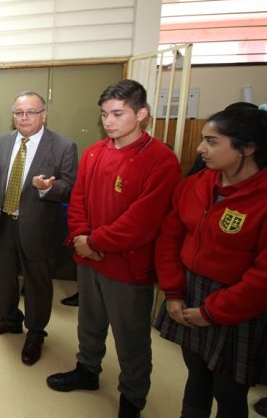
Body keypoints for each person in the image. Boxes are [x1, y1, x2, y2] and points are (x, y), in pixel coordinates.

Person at [46, 80, 180, 418]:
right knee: (89, 324)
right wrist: (81, 237)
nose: (109, 121)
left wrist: (94, 242)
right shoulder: (93, 153)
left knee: (131, 337)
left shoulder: (161, 160)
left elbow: (142, 221)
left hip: (127, 265)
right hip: (89, 260)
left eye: (118, 114)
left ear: (142, 114)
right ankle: (87, 370)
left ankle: (133, 397)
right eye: (104, 114)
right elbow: (77, 201)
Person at [154, 106, 267, 418]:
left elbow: (262, 277)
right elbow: (169, 239)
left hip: (238, 303)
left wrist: (212, 311)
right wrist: (173, 292)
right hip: (190, 290)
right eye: (203, 139)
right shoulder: (196, 185)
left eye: (212, 141)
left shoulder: (261, 197)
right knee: (197, 373)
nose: (200, 148)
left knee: (229, 390)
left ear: (247, 148)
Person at [0, 91, 78, 366]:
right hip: (5, 223)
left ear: (43, 115)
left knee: (37, 284)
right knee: (5, 277)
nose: (24, 118)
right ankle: (9, 319)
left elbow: (69, 187)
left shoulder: (62, 146)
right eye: (18, 113)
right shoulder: (2, 142)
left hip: (39, 229)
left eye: (31, 112)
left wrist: (49, 188)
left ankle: (35, 333)